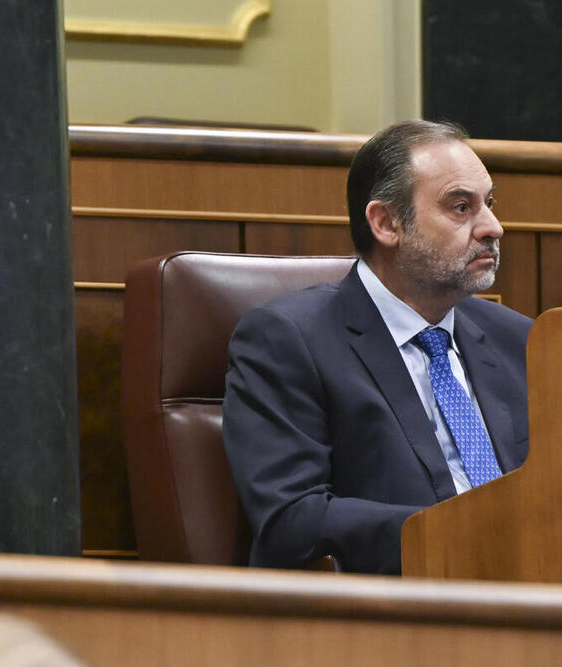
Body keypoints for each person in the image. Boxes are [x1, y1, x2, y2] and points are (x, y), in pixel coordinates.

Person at [222, 120, 533, 575]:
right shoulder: (287, 340)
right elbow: (292, 519)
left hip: (536, 600)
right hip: (388, 612)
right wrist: (459, 534)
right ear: (386, 224)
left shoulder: (518, 339)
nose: (493, 227)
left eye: (488, 203)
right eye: (461, 207)